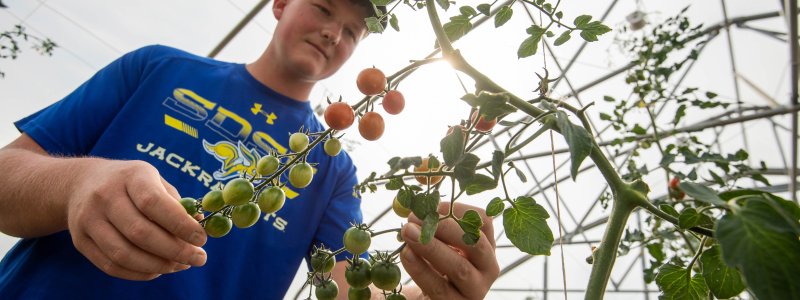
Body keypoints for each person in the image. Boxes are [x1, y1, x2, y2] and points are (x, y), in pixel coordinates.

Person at [0, 0, 499, 298]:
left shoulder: (332, 169)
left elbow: (354, 288)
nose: (333, 31)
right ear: (280, 3)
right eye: (324, 7)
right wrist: (75, 184)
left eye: (352, 31)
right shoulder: (160, 68)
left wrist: (431, 289)